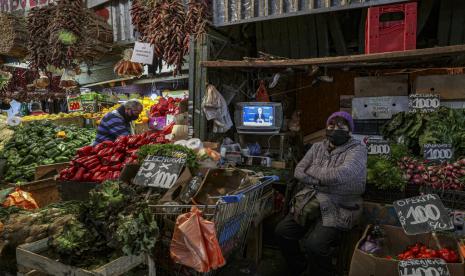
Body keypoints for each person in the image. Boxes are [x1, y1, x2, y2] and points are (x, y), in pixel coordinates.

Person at [275, 111, 367, 276]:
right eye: (331, 125)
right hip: (312, 200)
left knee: (315, 245)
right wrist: (322, 180)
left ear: (349, 131)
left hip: (340, 205)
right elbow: (298, 171)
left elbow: (340, 175)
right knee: (283, 232)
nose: (335, 128)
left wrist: (313, 171)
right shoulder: (317, 147)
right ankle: (300, 267)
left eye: (341, 126)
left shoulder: (358, 150)